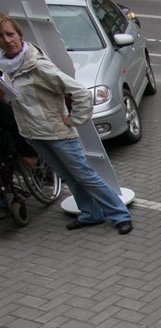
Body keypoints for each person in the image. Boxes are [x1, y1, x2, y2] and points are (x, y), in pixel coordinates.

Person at [0, 13, 132, 234]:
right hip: (32, 132)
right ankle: (91, 214)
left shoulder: (37, 65)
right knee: (67, 175)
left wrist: (75, 119)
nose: (7, 40)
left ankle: (119, 215)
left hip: (56, 131)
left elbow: (79, 92)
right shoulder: (4, 67)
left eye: (10, 34)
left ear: (19, 35)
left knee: (84, 174)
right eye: (1, 36)